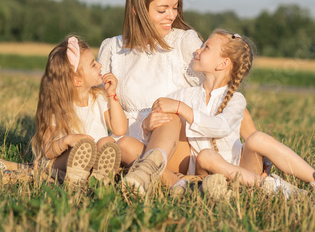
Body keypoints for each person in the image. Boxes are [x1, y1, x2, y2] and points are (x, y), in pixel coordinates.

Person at [98, 0, 258, 195]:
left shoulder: (184, 42)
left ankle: (158, 174)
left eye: (175, 8)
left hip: (177, 143)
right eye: (162, 10)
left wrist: (253, 144)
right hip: (132, 138)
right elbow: (95, 106)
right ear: (136, 10)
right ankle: (183, 185)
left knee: (168, 114)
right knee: (109, 145)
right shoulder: (111, 48)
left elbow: (222, 93)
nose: (172, 16)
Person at [125, 29, 315, 198]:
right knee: (206, 156)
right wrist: (146, 124)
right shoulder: (185, 95)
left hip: (241, 167)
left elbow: (220, 126)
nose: (197, 51)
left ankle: (312, 177)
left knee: (257, 138)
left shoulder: (236, 100)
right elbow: (159, 128)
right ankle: (266, 186)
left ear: (223, 63)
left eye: (206, 47)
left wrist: (182, 109)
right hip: (205, 172)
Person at [31, 36, 127, 183]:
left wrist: (112, 94)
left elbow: (119, 129)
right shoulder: (59, 108)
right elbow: (48, 150)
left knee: (107, 141)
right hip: (64, 162)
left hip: (93, 159)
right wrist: (68, 140)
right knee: (81, 150)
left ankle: (99, 176)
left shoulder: (99, 98)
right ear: (77, 80)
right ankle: (77, 177)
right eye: (93, 64)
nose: (100, 65)